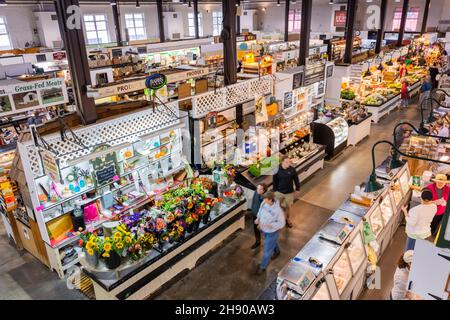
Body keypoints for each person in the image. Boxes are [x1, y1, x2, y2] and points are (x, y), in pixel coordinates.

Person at [255, 191, 285, 273]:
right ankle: (277, 250)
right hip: (264, 229)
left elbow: (282, 223)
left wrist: (271, 225)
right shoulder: (264, 203)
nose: (264, 201)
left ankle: (263, 266)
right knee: (272, 242)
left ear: (270, 199)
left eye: (265, 199)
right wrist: (258, 219)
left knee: (267, 251)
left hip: (272, 232)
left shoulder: (278, 211)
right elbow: (260, 210)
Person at [273, 156, 300, 228]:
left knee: (288, 207)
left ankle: (287, 219)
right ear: (282, 162)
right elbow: (274, 181)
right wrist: (275, 191)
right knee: (276, 206)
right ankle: (276, 219)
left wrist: (297, 189)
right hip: (279, 192)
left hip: (289, 193)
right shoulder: (277, 169)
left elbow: (296, 180)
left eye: (289, 162)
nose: (289, 164)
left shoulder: (292, 170)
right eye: (287, 162)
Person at [250, 183, 267, 249]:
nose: (258, 190)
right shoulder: (256, 192)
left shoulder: (265, 198)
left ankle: (274, 248)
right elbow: (254, 201)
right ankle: (258, 241)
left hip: (262, 217)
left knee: (266, 232)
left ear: (264, 190)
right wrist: (252, 210)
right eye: (257, 188)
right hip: (255, 214)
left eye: (260, 189)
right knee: (256, 229)